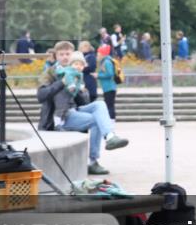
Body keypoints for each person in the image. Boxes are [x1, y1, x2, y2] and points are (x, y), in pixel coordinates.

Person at [36, 40, 128, 176]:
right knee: (97, 120)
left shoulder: (76, 71)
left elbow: (83, 102)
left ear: (72, 55)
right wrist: (61, 83)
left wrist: (80, 90)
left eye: (68, 54)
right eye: (61, 54)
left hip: (74, 111)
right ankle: (93, 161)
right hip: (59, 117)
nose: (65, 57)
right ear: (56, 56)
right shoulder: (50, 73)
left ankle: (109, 137)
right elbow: (41, 96)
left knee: (100, 105)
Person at [97, 44, 119, 121]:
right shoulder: (106, 61)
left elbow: (110, 74)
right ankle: (111, 119)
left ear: (103, 53)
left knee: (109, 105)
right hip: (108, 87)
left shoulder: (106, 62)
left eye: (99, 53)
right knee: (109, 104)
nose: (97, 55)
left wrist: (98, 75)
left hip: (109, 87)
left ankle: (111, 119)